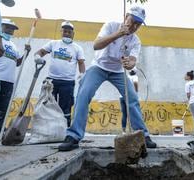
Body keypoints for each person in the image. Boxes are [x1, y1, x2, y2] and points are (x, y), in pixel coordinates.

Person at [58, 6, 157, 151]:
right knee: (83, 94)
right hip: (99, 67)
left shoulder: (136, 41)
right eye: (133, 21)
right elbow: (96, 45)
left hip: (118, 71)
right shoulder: (111, 26)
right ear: (126, 17)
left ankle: (143, 136)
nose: (134, 26)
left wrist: (130, 63)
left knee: (132, 99)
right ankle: (73, 136)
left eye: (138, 24)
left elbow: (133, 60)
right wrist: (117, 34)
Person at [34, 21, 86, 127]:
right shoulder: (53, 43)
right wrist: (37, 57)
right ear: (61, 32)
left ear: (73, 34)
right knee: (47, 106)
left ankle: (64, 131)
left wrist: (82, 74)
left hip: (67, 83)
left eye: (69, 32)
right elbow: (40, 52)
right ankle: (47, 130)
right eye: (64, 31)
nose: (67, 33)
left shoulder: (77, 48)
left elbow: (81, 63)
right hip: (51, 81)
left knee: (65, 109)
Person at [120, 67, 139, 133]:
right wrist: (136, 92)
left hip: (121, 97)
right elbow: (135, 83)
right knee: (132, 113)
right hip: (129, 97)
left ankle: (123, 131)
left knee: (124, 114)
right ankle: (133, 129)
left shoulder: (126, 77)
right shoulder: (135, 77)